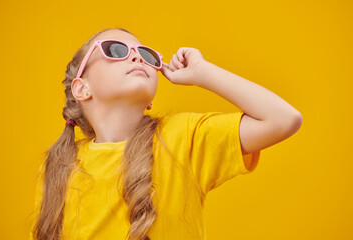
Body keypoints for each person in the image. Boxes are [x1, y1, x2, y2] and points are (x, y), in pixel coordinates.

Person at [29, 27, 302, 240]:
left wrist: (203, 73)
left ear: (150, 100)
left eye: (147, 54)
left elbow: (283, 119)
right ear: (82, 89)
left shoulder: (182, 138)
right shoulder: (58, 166)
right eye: (115, 49)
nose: (137, 55)